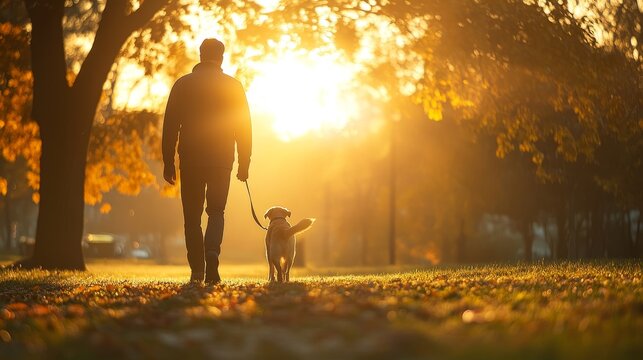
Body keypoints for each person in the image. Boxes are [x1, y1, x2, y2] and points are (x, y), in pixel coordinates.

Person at [162, 38, 252, 284]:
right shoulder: (233, 86)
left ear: (200, 55)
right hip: (221, 160)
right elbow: (244, 128)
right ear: (221, 58)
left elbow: (170, 125)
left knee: (191, 217)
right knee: (216, 211)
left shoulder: (182, 85)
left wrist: (168, 161)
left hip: (190, 160)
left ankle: (197, 271)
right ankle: (212, 253)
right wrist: (244, 162)